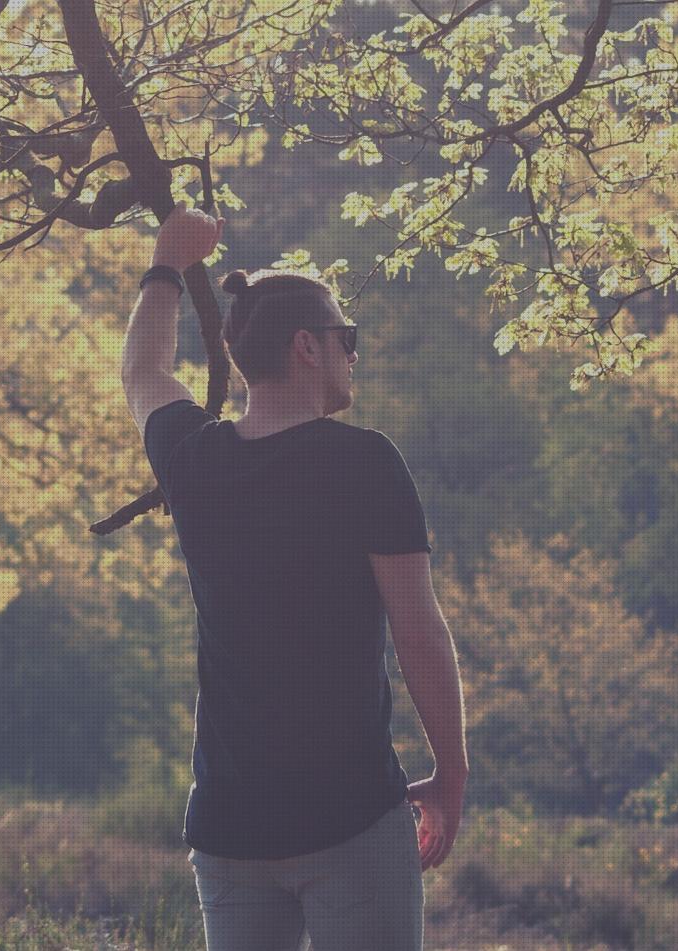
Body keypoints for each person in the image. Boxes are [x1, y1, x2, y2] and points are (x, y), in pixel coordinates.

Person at [120, 202, 469, 950]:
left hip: (228, 829)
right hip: (348, 818)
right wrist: (451, 769)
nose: (355, 354)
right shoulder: (366, 461)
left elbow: (143, 369)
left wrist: (167, 262)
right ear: (308, 347)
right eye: (350, 339)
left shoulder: (194, 459)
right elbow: (418, 627)